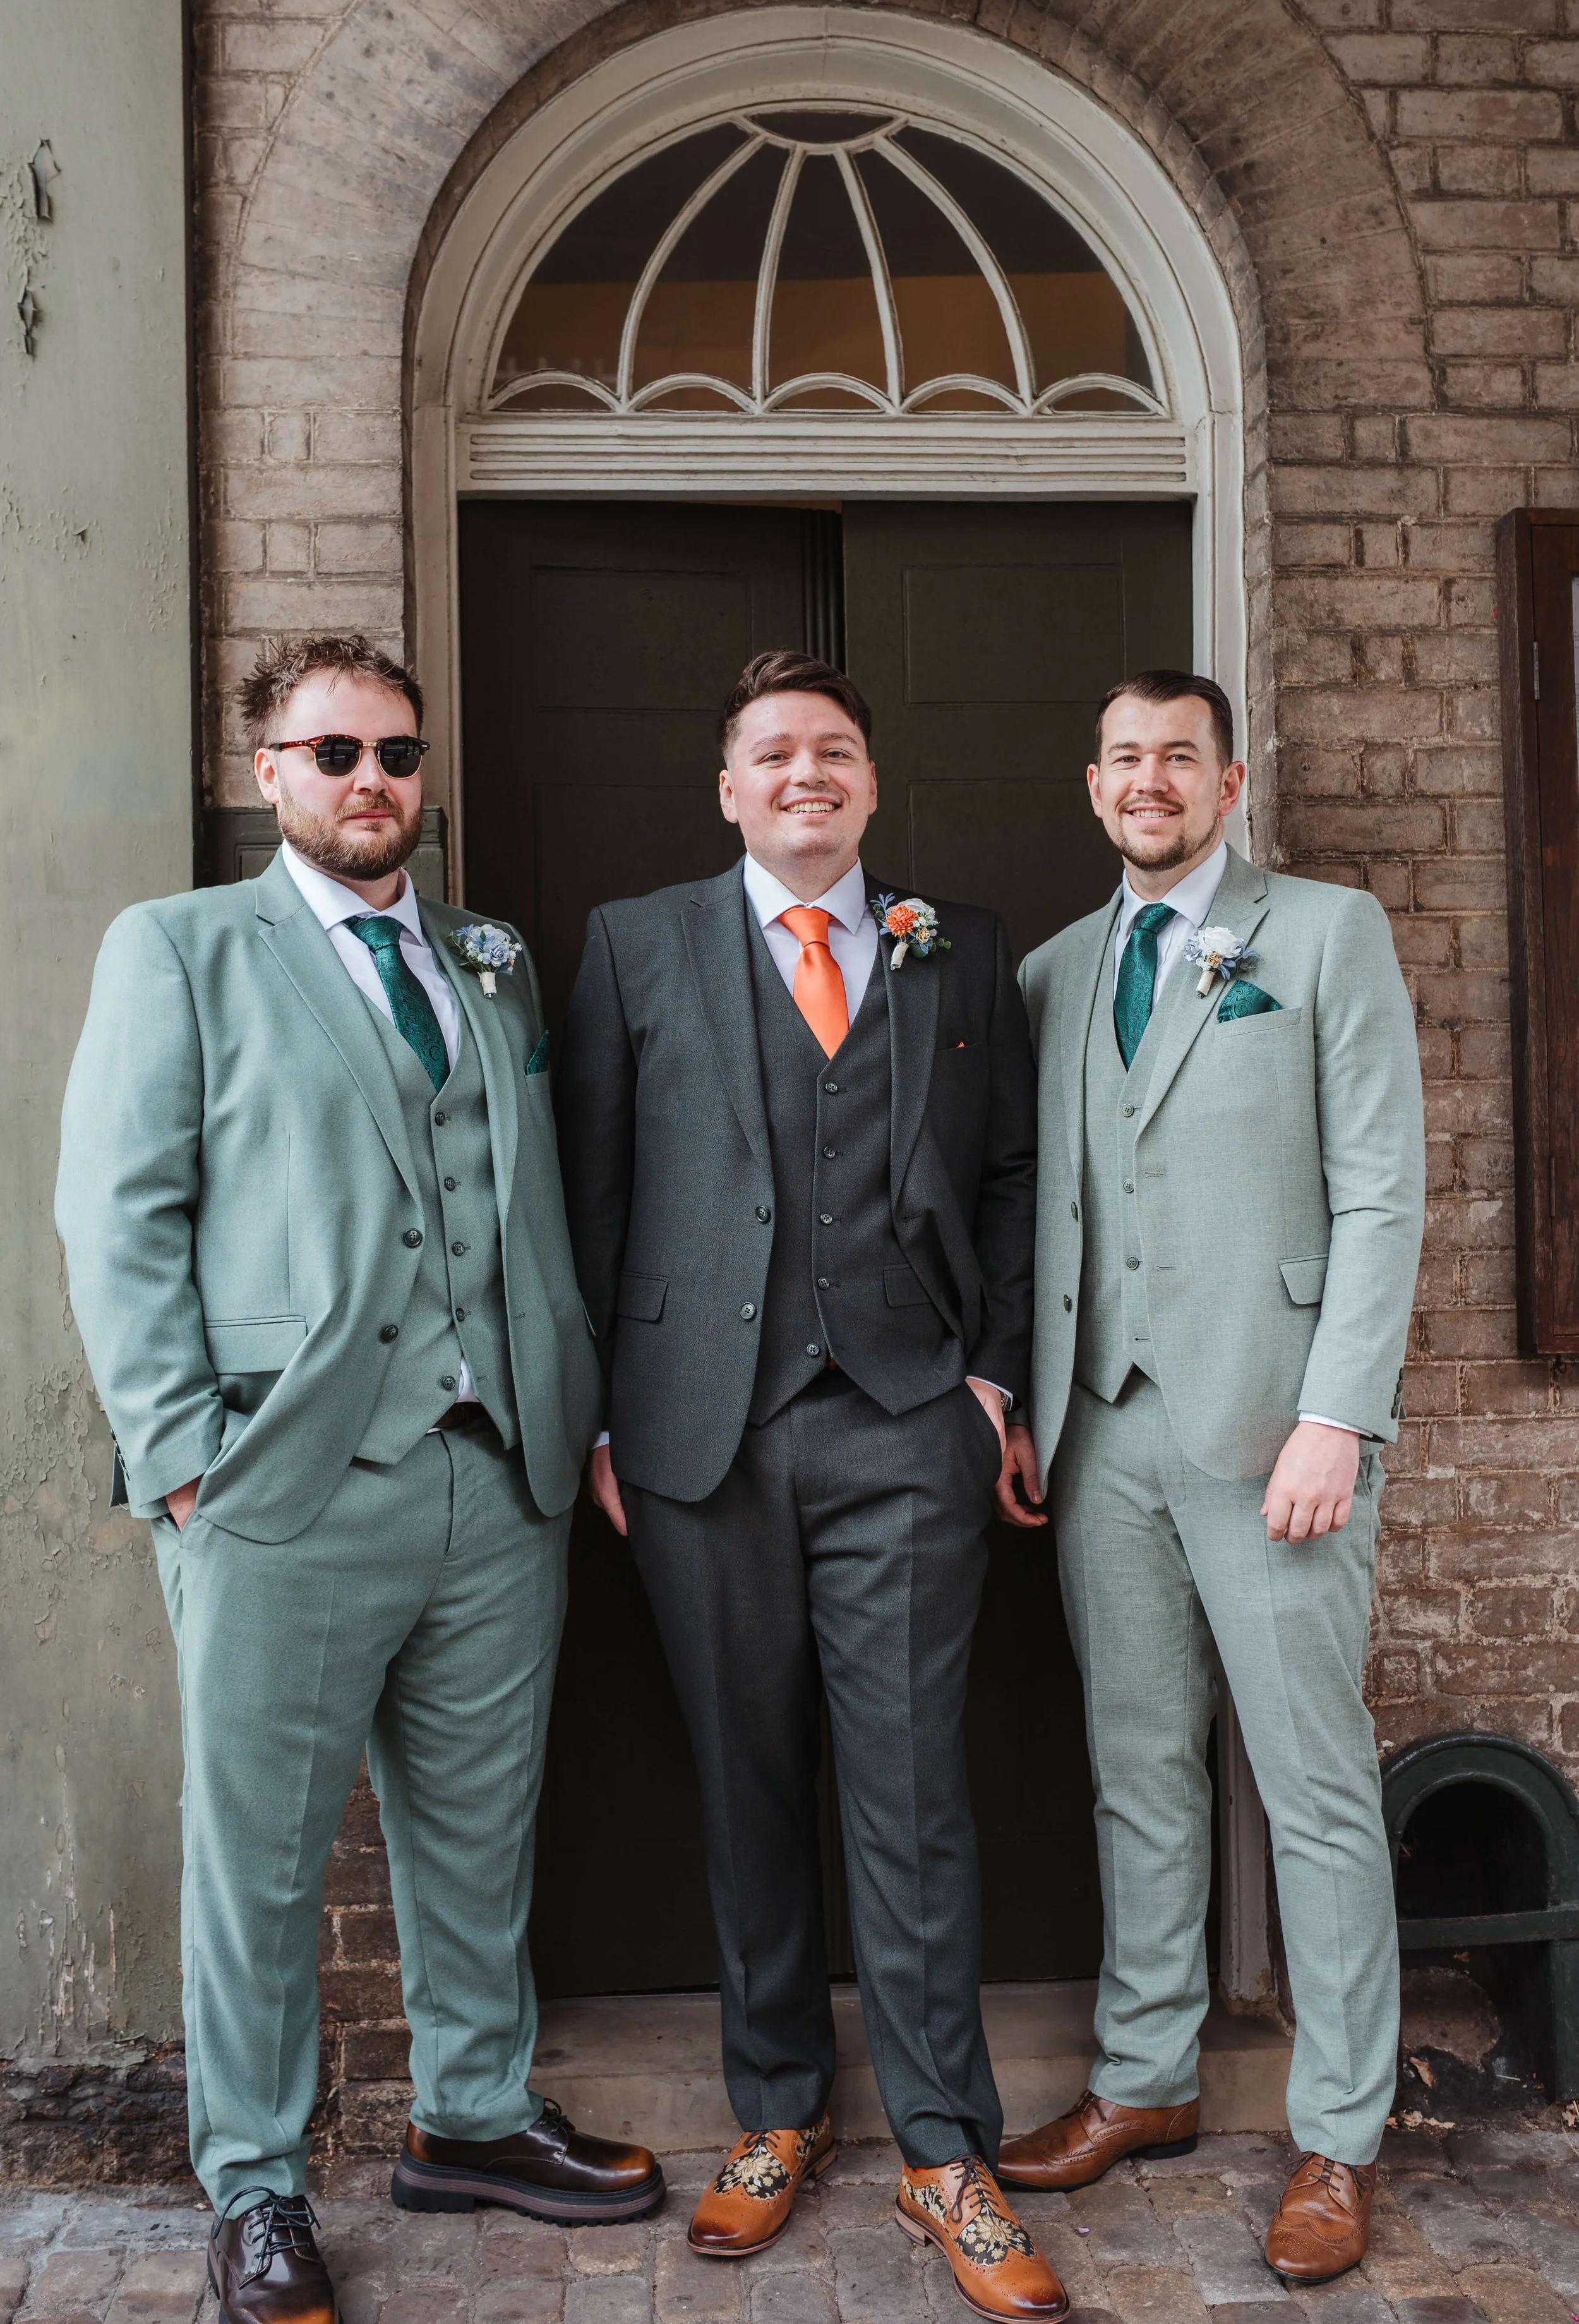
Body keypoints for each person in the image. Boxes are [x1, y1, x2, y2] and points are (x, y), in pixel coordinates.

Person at [56, 635, 663, 2324]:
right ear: (270, 772)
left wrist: (574, 1410)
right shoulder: (181, 949)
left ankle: (472, 2113)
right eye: (331, 750)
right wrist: (186, 1460)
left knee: (477, 1830)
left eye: (394, 751)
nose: (368, 779)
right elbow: (118, 1218)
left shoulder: (489, 956)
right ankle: (253, 2183)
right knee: (257, 1856)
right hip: (286, 1476)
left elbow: (519, 1198)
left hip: (498, 1469)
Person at [555, 649, 1063, 2321]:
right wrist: (607, 1424)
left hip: (909, 1423)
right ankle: (773, 2102)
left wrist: (989, 1378)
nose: (802, 774)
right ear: (725, 788)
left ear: (866, 780)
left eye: (831, 750)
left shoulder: (955, 942)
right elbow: (593, 1191)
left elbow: (1006, 1177)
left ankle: (941, 2139)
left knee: (911, 1784)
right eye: (771, 752)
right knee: (746, 1773)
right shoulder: (636, 941)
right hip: (701, 1435)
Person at [998, 670, 1424, 2287]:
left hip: (1273, 1436)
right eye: (1121, 758)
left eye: (1177, 756)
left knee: (1311, 1785)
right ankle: (1144, 2080)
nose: (1147, 781)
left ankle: (1337, 2135)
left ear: (1228, 782)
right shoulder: (1050, 972)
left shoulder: (1322, 936)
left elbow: (1381, 1194)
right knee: (1136, 1769)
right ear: (1092, 784)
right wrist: (1033, 1406)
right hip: (1098, 1428)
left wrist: (1341, 1415)